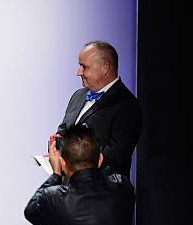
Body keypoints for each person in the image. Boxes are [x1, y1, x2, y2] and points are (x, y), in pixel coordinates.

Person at [50, 41, 142, 177]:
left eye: (84, 67)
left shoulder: (127, 106)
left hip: (102, 194)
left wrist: (75, 149)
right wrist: (56, 145)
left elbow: (116, 157)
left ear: (105, 68)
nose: (78, 72)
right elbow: (63, 132)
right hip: (69, 192)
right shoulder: (78, 95)